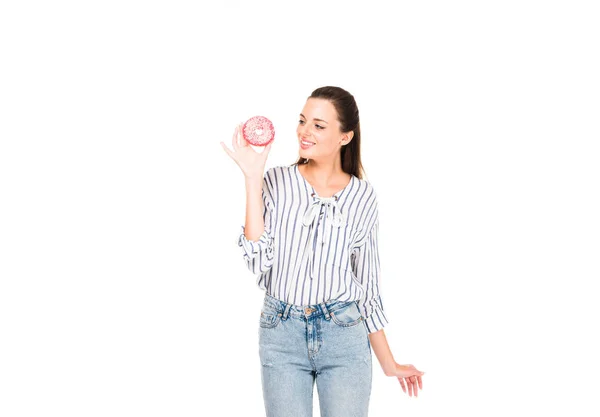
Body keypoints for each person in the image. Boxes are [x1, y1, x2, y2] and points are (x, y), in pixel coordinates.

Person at [221, 86, 425, 417]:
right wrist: (252, 178)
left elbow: (368, 289)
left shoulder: (363, 198)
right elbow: (259, 260)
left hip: (344, 335)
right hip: (281, 334)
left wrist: (390, 363)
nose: (304, 131)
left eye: (318, 125)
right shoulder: (276, 181)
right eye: (302, 121)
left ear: (345, 137)